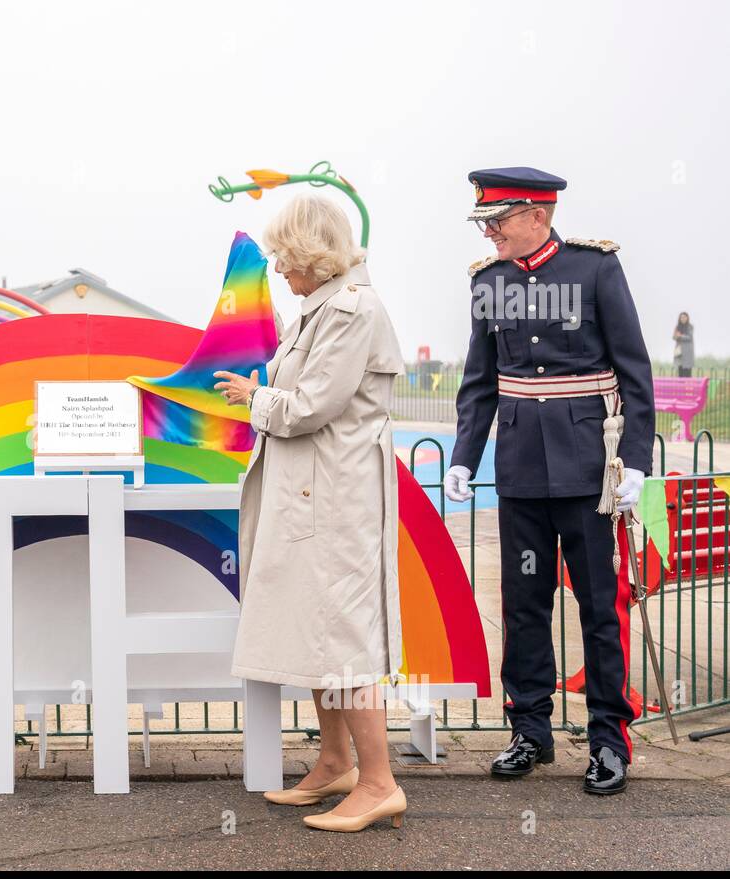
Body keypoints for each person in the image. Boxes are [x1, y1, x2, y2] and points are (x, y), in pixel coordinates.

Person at [444, 167, 655, 795]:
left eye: (498, 219)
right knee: (525, 605)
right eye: (484, 220)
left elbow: (634, 371)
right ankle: (530, 731)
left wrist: (636, 462)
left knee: (599, 606)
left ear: (538, 214)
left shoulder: (595, 270)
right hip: (521, 473)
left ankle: (610, 742)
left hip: (590, 471)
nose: (489, 231)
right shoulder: (489, 282)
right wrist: (463, 455)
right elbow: (480, 381)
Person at [215, 193, 408, 833]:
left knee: (343, 637)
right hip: (314, 493)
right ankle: (335, 762)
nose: (278, 270)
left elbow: (310, 407)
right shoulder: (321, 307)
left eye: (283, 258)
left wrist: (254, 397)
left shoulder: (351, 310)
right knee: (319, 630)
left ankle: (379, 782)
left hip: (336, 498)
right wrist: (265, 395)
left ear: (313, 255)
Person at [673, 312, 694, 377]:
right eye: (681, 317)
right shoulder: (677, 327)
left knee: (687, 372)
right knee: (680, 371)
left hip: (687, 353)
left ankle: (688, 387)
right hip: (680, 353)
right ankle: (681, 387)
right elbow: (674, 337)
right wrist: (676, 336)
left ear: (687, 318)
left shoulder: (690, 326)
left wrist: (680, 336)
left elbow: (690, 337)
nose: (683, 319)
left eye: (684, 317)